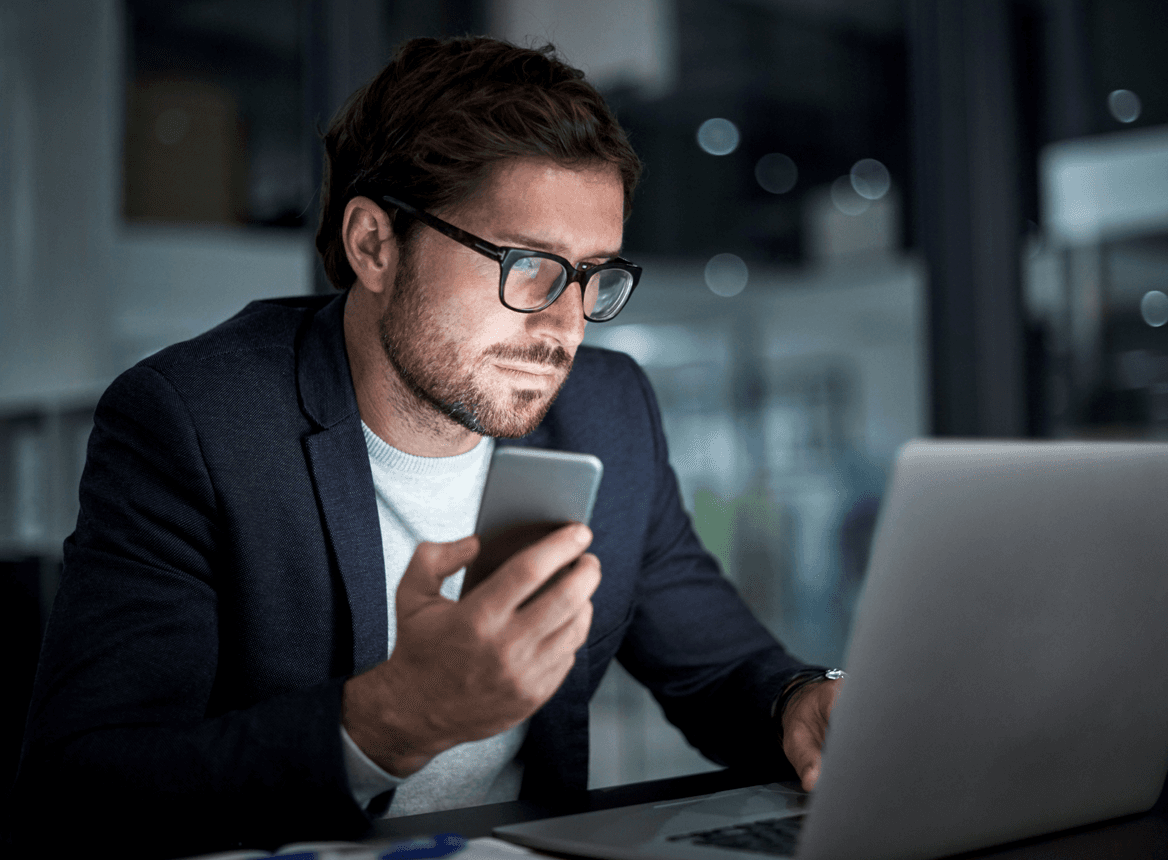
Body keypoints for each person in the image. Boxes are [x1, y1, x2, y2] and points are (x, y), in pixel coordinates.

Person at [11, 35, 842, 859]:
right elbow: (85, 790)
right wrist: (391, 721)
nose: (564, 324)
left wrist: (804, 702)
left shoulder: (610, 409)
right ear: (375, 244)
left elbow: (719, 666)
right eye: (528, 264)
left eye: (592, 275)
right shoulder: (196, 422)